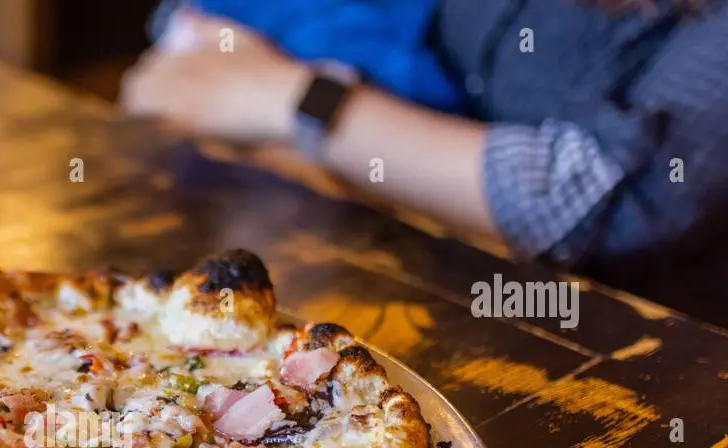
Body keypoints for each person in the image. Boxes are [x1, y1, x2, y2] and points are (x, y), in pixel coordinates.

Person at [121, 0, 728, 320]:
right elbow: (174, 68)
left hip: (592, 339)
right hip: (363, 250)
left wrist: (293, 99)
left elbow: (617, 201)